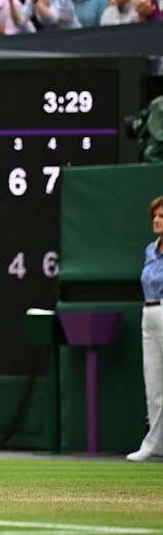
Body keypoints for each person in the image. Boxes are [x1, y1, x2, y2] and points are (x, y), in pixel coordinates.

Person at [128, 196, 163, 462]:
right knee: (153, 385)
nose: (157, 220)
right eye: (155, 216)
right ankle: (154, 445)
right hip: (148, 314)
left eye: (162, 216)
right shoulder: (150, 249)